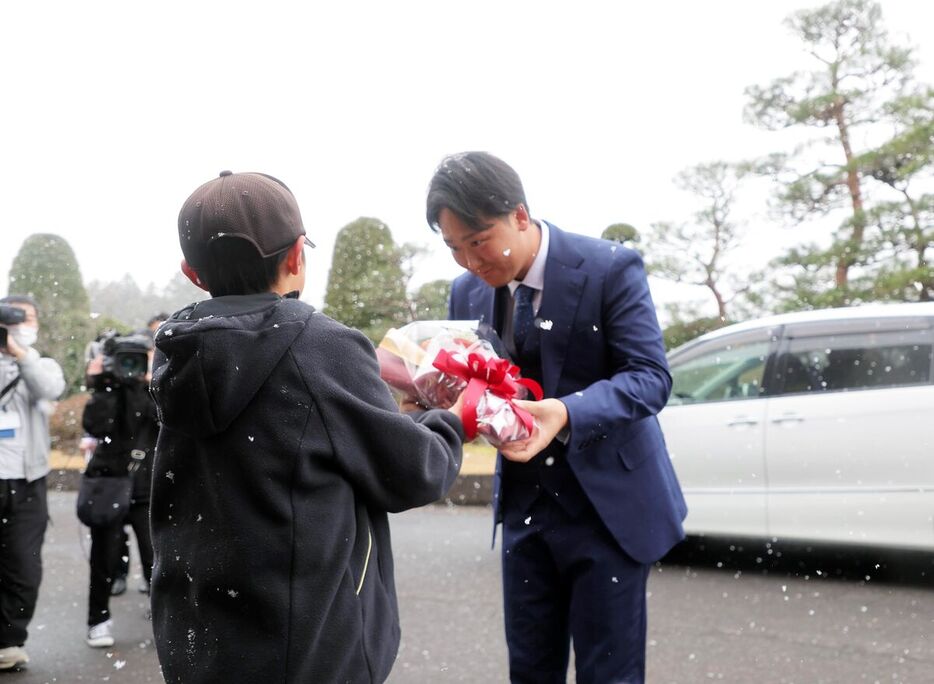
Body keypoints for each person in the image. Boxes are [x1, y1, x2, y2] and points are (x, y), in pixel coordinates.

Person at [149, 170, 464, 683]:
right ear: (297, 256)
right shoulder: (317, 346)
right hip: (307, 644)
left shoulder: (177, 351)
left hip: (199, 636)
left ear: (193, 272)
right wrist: (450, 420)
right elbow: (413, 472)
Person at [426, 152, 687, 684]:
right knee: (529, 669)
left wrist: (566, 412)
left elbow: (650, 377)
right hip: (524, 506)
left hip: (607, 507)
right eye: (453, 247)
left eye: (478, 241)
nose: (470, 262)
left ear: (520, 215)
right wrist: (433, 393)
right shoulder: (467, 291)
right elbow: (475, 383)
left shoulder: (610, 267)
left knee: (608, 673)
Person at [80, 328, 159, 648]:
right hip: (110, 480)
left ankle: (166, 616)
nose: (132, 367)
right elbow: (95, 426)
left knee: (156, 556)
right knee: (105, 556)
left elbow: (162, 422)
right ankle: (97, 620)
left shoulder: (154, 389)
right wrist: (103, 383)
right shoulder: (107, 390)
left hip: (146, 482)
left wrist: (153, 381)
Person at [0, 295, 66, 671]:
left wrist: (21, 356)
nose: (23, 324)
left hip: (28, 482)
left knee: (24, 565)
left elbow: (49, 389)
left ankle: (9, 641)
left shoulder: (42, 363)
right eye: (14, 318)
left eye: (29, 318)